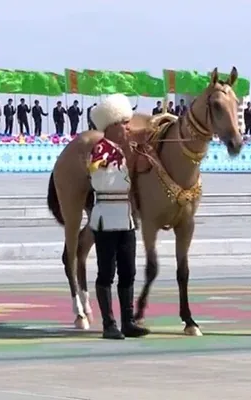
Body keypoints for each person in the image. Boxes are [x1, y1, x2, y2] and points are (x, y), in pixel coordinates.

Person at [88, 93, 151, 340]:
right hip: (105, 218)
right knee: (106, 272)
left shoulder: (127, 150)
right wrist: (116, 155)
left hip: (125, 219)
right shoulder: (100, 149)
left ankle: (128, 321)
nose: (127, 127)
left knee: (129, 271)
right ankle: (108, 323)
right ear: (112, 125)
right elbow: (96, 172)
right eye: (124, 123)